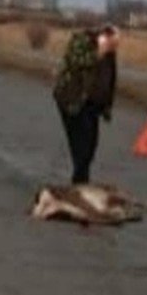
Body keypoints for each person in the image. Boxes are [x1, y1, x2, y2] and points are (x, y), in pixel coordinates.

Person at [53, 25, 119, 184]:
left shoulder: (110, 54)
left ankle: (81, 181)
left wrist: (107, 106)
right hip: (72, 100)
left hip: (92, 105)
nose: (115, 46)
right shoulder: (80, 41)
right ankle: (79, 184)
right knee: (81, 146)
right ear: (103, 37)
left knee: (91, 145)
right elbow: (76, 61)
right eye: (113, 42)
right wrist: (99, 53)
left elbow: (110, 78)